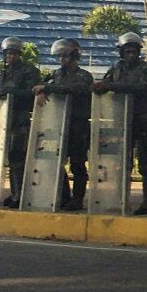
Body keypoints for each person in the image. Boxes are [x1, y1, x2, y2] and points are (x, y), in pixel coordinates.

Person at [93, 32, 147, 215]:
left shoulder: (146, 68)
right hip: (121, 120)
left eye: (134, 51)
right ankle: (120, 200)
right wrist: (99, 88)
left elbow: (142, 87)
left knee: (145, 163)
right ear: (121, 52)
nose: (131, 54)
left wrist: (112, 86)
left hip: (141, 120)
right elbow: (105, 85)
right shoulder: (116, 68)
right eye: (127, 51)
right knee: (121, 163)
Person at [33, 38, 93, 211]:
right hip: (59, 122)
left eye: (65, 56)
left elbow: (75, 89)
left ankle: (77, 198)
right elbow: (38, 86)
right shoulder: (56, 74)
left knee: (77, 163)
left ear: (74, 56)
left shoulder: (83, 75)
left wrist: (47, 88)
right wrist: (41, 90)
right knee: (56, 162)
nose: (62, 60)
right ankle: (64, 196)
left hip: (78, 123)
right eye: (60, 56)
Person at [0, 37, 40, 209]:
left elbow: (31, 93)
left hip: (21, 118)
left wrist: (10, 91)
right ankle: (14, 193)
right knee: (7, 158)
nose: (10, 57)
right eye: (8, 54)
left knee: (17, 158)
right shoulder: (5, 72)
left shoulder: (29, 70)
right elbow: (0, 89)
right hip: (5, 118)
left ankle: (19, 194)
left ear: (19, 54)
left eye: (13, 53)